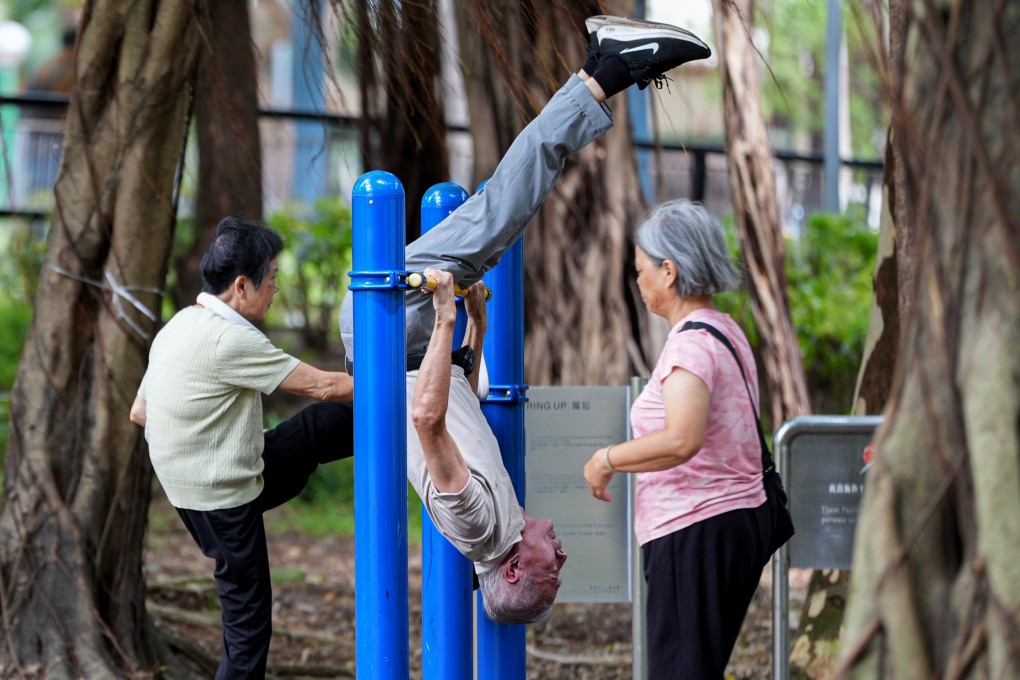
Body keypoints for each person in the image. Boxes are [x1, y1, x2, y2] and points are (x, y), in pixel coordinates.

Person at [339, 16, 712, 624]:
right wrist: (475, 332)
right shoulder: (500, 524)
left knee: (495, 216)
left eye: (552, 567)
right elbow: (455, 405)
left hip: (388, 326)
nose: (563, 555)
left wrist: (442, 319)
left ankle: (605, 70)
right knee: (497, 219)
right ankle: (600, 69)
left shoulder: (480, 526)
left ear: (513, 569)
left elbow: (427, 420)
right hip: (403, 345)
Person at [130, 215, 355, 680]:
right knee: (248, 632)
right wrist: (410, 382)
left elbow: (141, 411)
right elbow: (326, 386)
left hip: (202, 484)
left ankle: (394, 429)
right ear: (241, 286)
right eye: (271, 279)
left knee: (314, 431)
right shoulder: (229, 338)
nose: (276, 288)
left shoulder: (180, 325)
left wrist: (225, 438)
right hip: (224, 502)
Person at [582, 199, 774, 678]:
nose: (638, 282)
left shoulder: (690, 343)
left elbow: (682, 439)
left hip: (696, 530)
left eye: (640, 270)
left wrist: (608, 458)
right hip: (724, 523)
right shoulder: (723, 330)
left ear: (668, 271)